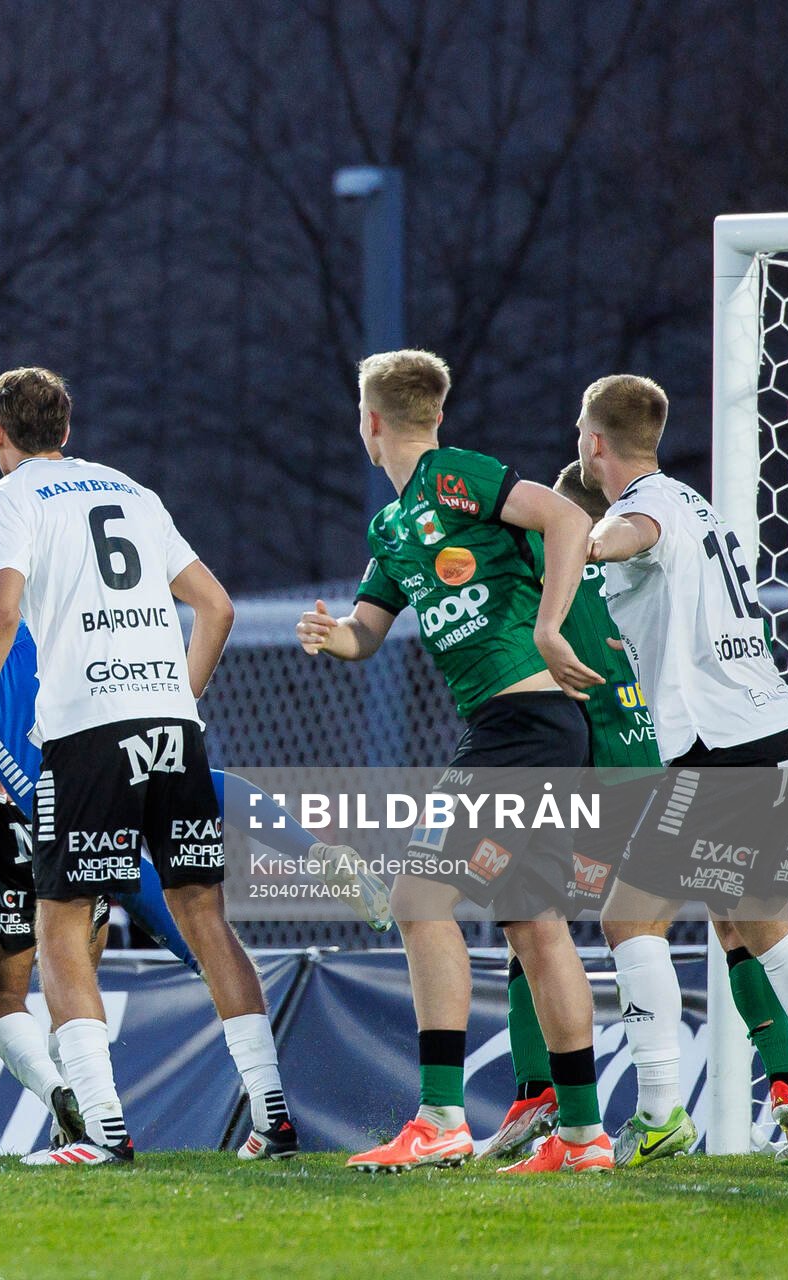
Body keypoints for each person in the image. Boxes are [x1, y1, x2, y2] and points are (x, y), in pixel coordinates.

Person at [0, 366, 295, 1166]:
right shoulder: (133, 490)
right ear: (68, 429)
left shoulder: (9, 498)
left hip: (88, 731)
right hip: (171, 727)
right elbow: (218, 607)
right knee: (206, 916)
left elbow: (3, 608)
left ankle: (101, 1128)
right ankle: (272, 1114)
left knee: (60, 921)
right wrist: (177, 699)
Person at [299, 349, 612, 1174]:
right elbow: (369, 632)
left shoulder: (451, 476)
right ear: (432, 409)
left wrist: (549, 628)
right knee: (536, 926)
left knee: (418, 896)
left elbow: (568, 520)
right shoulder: (394, 526)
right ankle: (583, 1138)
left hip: (521, 723)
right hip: (524, 726)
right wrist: (339, 639)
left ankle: (440, 1118)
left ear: (370, 422)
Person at [576, 374, 788, 1165]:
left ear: (594, 440)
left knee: (628, 919)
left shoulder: (646, 505)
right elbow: (670, 597)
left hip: (727, 752)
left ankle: (663, 1112)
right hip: (782, 737)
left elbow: (629, 535)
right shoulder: (698, 505)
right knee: (758, 920)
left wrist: (581, 542)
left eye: (581, 430)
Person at [479, 461, 788, 1162]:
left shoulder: (552, 579)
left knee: (537, 915)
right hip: (692, 760)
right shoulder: (678, 571)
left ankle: (544, 1090)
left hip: (609, 784)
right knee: (736, 914)